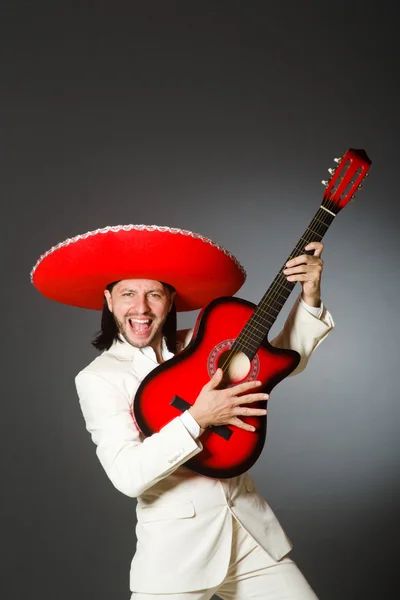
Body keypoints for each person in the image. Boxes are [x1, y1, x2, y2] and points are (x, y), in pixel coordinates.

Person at [31, 224, 334, 599]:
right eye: (128, 294)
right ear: (109, 300)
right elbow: (128, 475)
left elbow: (279, 361)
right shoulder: (99, 378)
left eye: (153, 294)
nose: (140, 308)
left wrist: (310, 298)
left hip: (250, 534)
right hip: (177, 554)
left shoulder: (202, 340)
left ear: (170, 300)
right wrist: (197, 419)